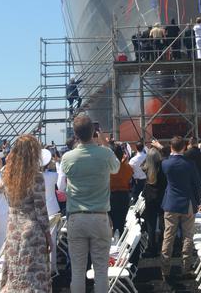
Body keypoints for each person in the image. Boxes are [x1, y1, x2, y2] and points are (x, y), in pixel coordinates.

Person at [60, 115, 120, 293]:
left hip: (76, 218)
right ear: (94, 132)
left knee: (77, 272)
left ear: (76, 135)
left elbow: (62, 185)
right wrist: (105, 143)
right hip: (100, 217)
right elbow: (116, 168)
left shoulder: (68, 157)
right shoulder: (105, 153)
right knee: (101, 271)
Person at [0, 135, 51, 293]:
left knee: (16, 275)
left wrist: (6, 165)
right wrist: (48, 235)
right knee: (34, 280)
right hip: (32, 231)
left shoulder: (7, 175)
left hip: (13, 230)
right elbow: (41, 210)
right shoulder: (36, 177)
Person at [156, 136, 201, 281]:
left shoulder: (165, 164)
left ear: (171, 147)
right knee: (188, 236)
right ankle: (186, 268)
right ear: (185, 147)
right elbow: (197, 184)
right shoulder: (190, 164)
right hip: (187, 202)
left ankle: (165, 270)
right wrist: (198, 201)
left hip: (170, 203)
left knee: (168, 237)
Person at [141, 146, 167, 256]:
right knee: (163, 223)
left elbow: (142, 164)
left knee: (151, 224)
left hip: (150, 198)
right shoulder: (163, 166)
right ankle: (163, 245)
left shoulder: (146, 168)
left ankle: (152, 247)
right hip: (161, 197)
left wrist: (148, 157)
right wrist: (160, 149)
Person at [41, 148, 62, 275]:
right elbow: (59, 183)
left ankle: (42, 267)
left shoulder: (33, 177)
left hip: (39, 210)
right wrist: (58, 162)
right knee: (52, 239)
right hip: (53, 208)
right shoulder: (53, 175)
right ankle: (52, 267)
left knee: (40, 240)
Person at [109, 144, 133, 237]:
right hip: (124, 195)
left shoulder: (110, 168)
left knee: (112, 222)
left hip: (112, 196)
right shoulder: (127, 167)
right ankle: (120, 241)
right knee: (122, 221)